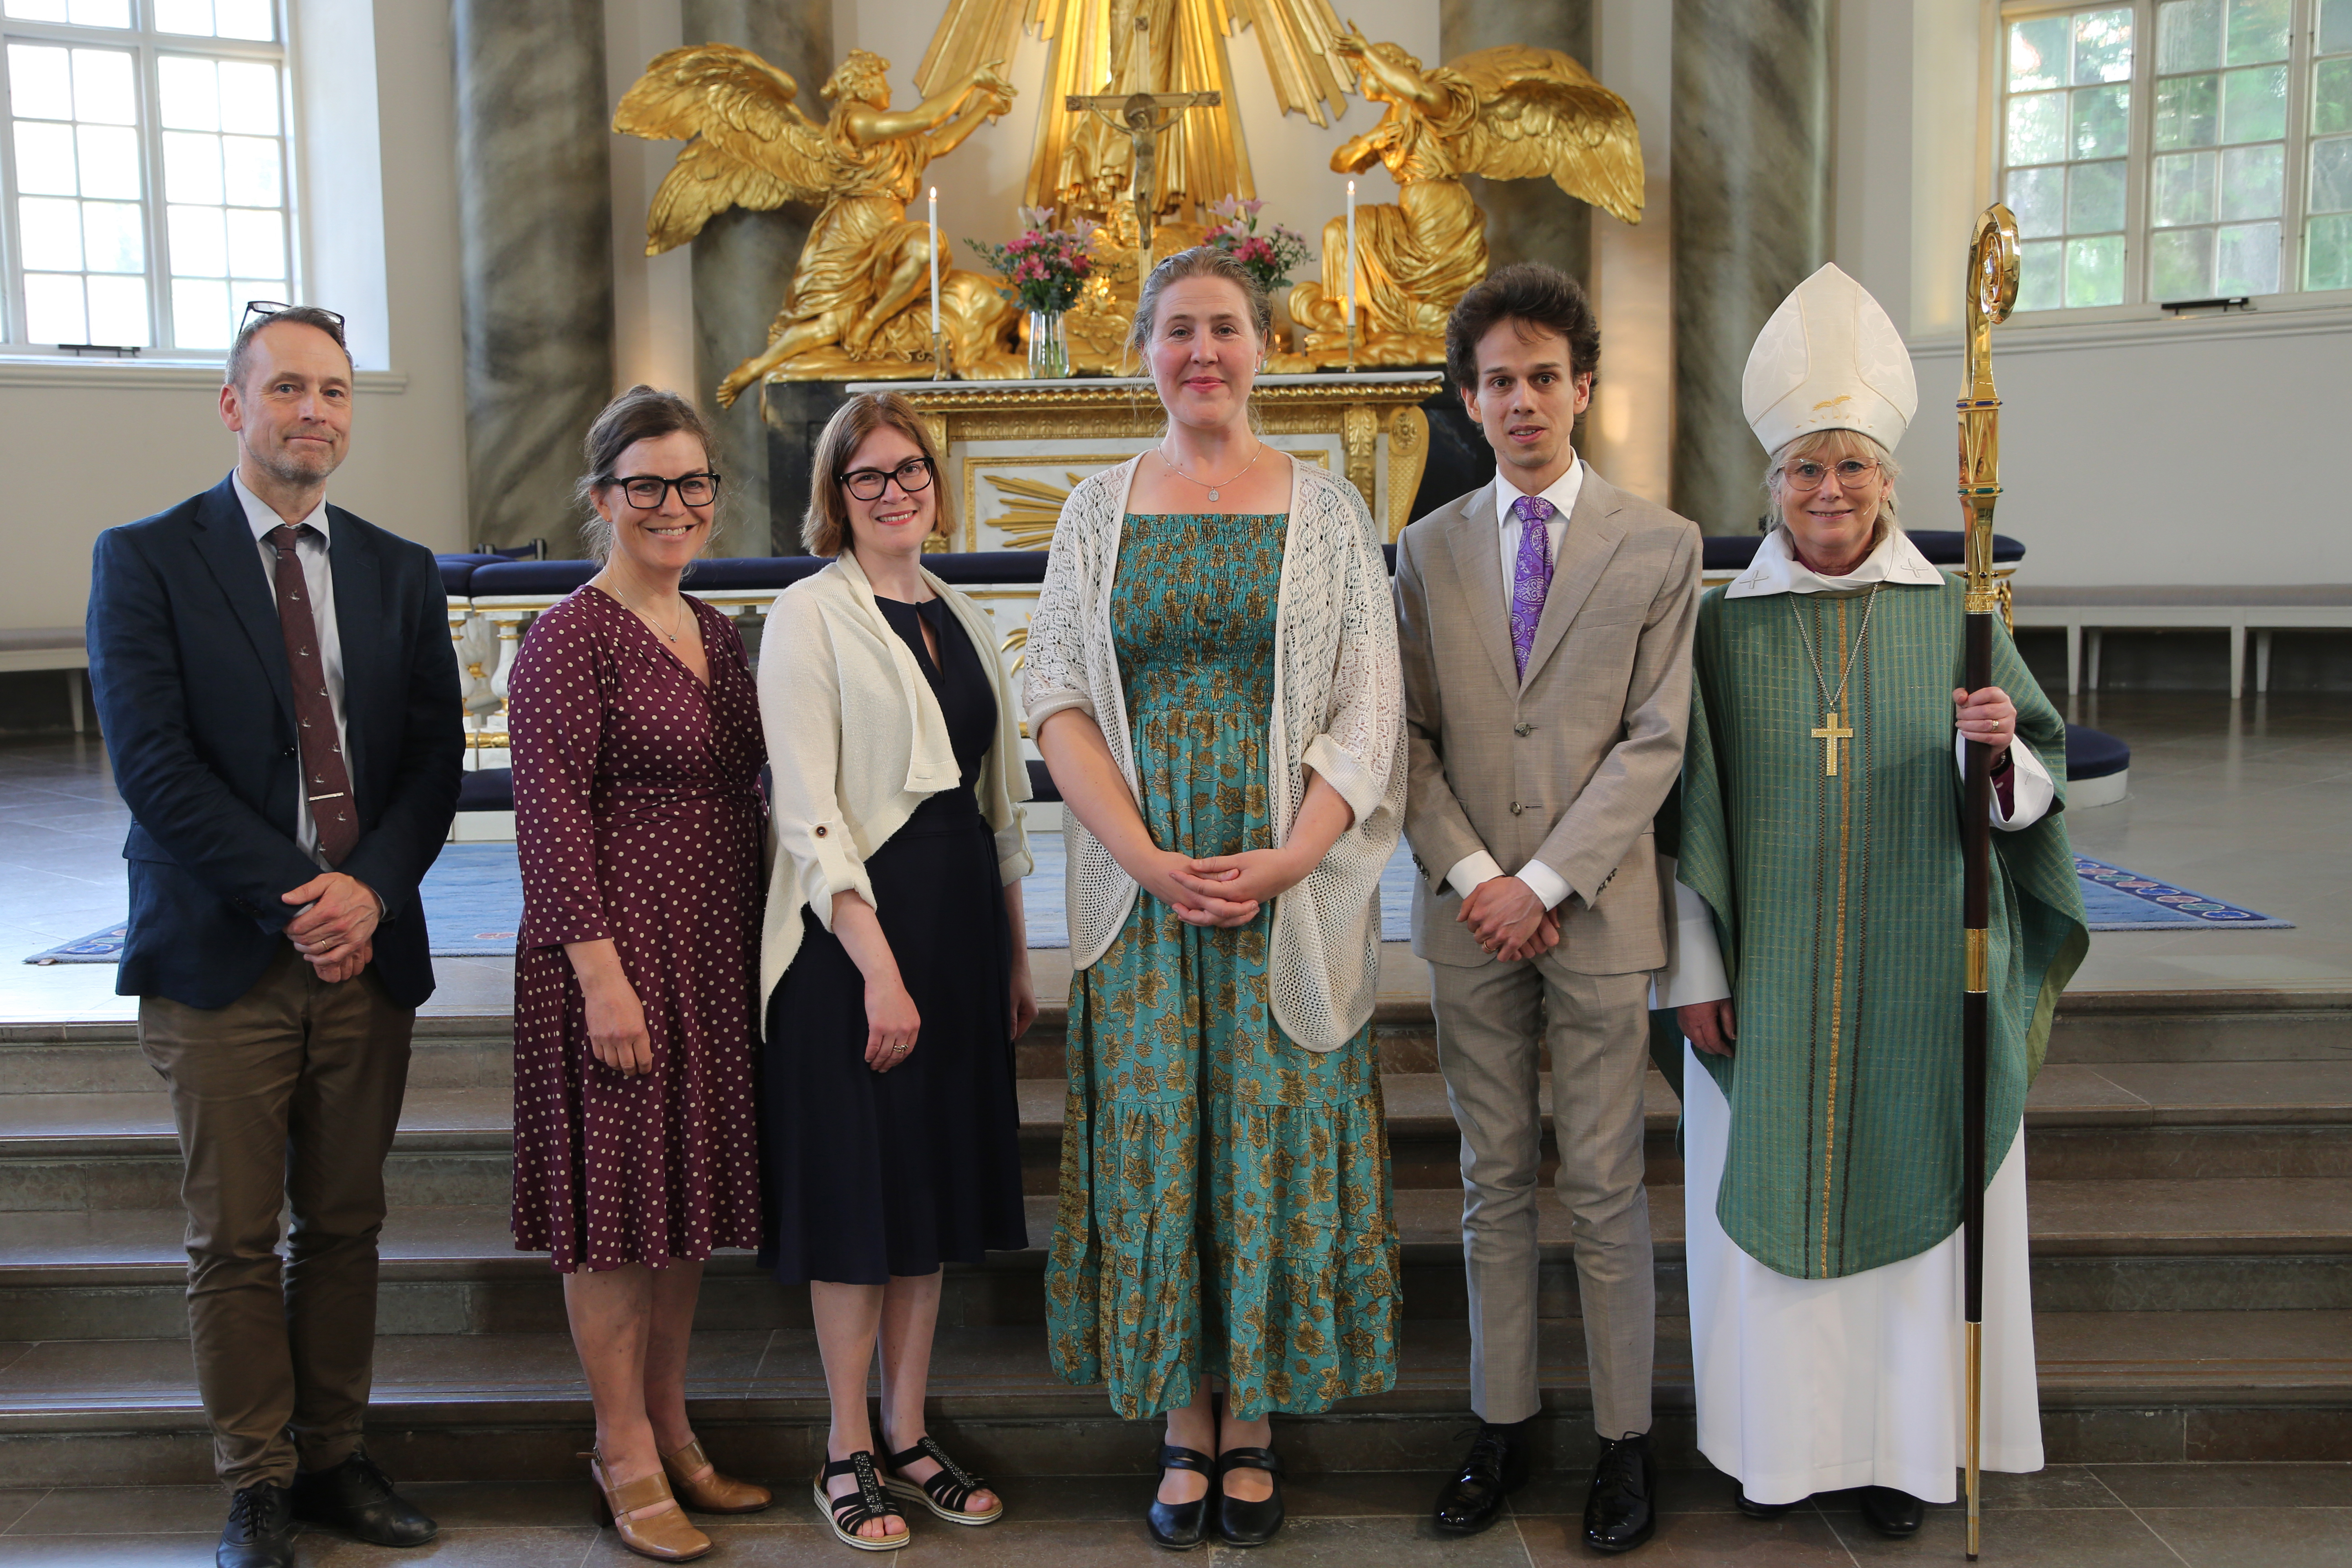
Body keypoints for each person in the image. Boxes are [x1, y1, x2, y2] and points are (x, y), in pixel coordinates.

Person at [1660, 264, 2087, 1536]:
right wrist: (1696, 970)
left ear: (1890, 479)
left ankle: (1906, 1457)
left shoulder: (1953, 614)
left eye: (1848, 465)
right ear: (1769, 485)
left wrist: (1994, 746)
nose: (1827, 490)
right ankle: (1773, 1450)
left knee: (1916, 1202)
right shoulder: (1722, 631)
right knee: (1769, 1201)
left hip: (1921, 971)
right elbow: (1689, 819)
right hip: (1772, 978)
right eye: (1802, 468)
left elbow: (2029, 799)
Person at [1025, 246, 1408, 1552]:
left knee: (1261, 1133)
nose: (1202, 351)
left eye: (1225, 329)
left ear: (1263, 348)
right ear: (1142, 349)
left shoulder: (1325, 508)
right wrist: (1138, 854)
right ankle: (1181, 1423)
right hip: (1141, 891)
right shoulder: (1093, 510)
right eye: (1178, 329)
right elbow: (1057, 697)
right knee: (1159, 1137)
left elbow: (1369, 704)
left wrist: (1294, 857)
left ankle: (1253, 1422)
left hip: (1277, 888)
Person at [84, 302, 461, 1568]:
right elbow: (155, 767)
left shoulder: (399, 567)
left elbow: (430, 759)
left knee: (346, 1223)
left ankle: (337, 1454)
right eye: (290, 388)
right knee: (237, 1234)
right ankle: (256, 1476)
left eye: (338, 392)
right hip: (224, 953)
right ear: (235, 406)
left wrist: (370, 891)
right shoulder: (145, 559)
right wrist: (303, 896)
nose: (317, 412)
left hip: (367, 952)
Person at [1393, 263, 1700, 1553]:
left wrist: (1545, 882)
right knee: (1488, 1177)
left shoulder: (1659, 542)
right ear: (1467, 401)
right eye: (1495, 383)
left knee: (1604, 1178)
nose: (1519, 401)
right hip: (1469, 915)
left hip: (1594, 909)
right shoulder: (1421, 548)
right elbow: (1399, 737)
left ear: (1582, 388)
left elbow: (1651, 739)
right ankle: (1501, 1419)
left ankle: (1624, 1440)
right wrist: (1478, 878)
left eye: (1540, 378)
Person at [758, 391, 1036, 1551]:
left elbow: (1000, 801)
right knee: (860, 1203)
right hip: (852, 940)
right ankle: (844, 1449)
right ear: (836, 495)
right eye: (866, 476)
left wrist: (1017, 953)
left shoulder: (961, 611)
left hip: (960, 927)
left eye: (908, 468)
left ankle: (911, 1433)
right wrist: (878, 969)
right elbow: (810, 816)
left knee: (926, 1197)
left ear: (935, 478)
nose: (893, 490)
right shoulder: (807, 617)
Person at [506, 387, 772, 1563]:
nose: (675, 507)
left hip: (711, 945)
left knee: (677, 1208)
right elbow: (550, 819)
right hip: (610, 952)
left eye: (693, 484)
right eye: (648, 486)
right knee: (613, 1219)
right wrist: (601, 978)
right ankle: (618, 1444)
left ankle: (670, 1423)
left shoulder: (716, 635)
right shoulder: (568, 636)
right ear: (603, 499)